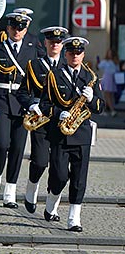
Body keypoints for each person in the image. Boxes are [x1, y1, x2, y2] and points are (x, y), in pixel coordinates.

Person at [40, 37, 104, 232]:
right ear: (66, 54)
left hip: (82, 133)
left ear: (83, 54)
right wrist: (60, 113)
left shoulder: (90, 77)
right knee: (59, 175)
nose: (75, 55)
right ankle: (52, 202)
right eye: (71, 52)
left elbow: (100, 107)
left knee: (79, 178)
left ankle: (74, 218)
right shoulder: (54, 75)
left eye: (78, 52)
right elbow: (44, 105)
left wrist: (92, 100)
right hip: (60, 133)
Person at [0, 12, 38, 208]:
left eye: (21, 28)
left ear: (26, 29)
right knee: (2, 144)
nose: (17, 31)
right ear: (8, 28)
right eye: (14, 27)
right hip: (1, 100)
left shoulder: (32, 48)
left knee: (18, 148)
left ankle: (10, 192)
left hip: (23, 103)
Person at [16, 26, 68, 214]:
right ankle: (32, 188)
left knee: (59, 168)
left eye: (58, 42)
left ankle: (52, 206)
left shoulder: (67, 66)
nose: (55, 44)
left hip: (62, 121)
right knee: (39, 162)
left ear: (63, 44)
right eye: (51, 41)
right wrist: (30, 104)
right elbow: (22, 92)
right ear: (45, 43)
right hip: (40, 119)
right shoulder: (34, 66)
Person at [96, 49, 119, 117]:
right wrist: (97, 62)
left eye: (111, 53)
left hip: (112, 78)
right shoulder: (105, 61)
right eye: (109, 53)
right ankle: (111, 110)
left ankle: (104, 110)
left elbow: (117, 70)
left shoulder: (115, 62)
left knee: (109, 96)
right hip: (107, 78)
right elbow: (99, 66)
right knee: (107, 95)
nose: (110, 54)